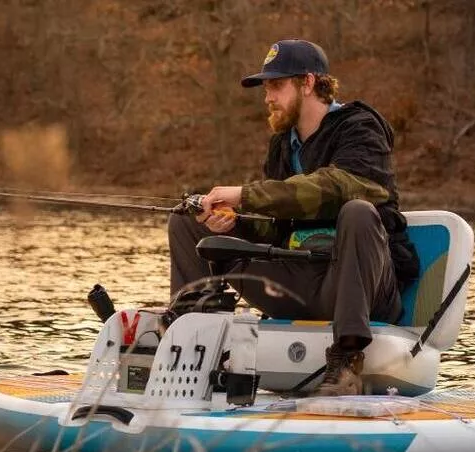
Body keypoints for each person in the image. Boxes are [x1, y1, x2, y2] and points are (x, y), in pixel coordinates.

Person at [167, 39, 418, 396]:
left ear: (309, 82)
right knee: (188, 221)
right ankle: (190, 352)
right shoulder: (282, 145)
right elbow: (274, 227)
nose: (267, 97)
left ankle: (346, 364)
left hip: (356, 288)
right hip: (293, 282)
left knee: (357, 212)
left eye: (276, 85)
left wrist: (245, 194)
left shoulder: (360, 128)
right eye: (265, 87)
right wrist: (233, 221)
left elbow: (337, 188)